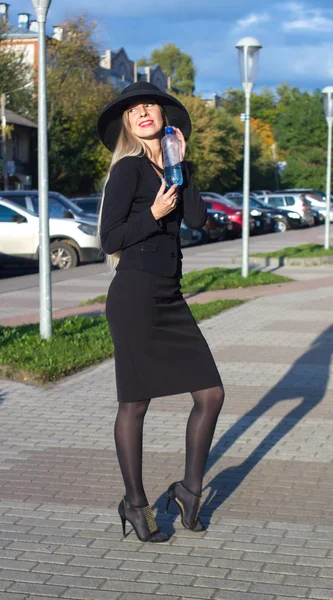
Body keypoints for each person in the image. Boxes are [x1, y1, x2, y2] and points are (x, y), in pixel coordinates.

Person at [97, 81, 224, 543]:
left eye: (149, 104)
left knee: (210, 394)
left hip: (170, 295)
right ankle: (135, 503)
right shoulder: (128, 171)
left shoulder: (174, 166)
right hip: (133, 295)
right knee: (135, 402)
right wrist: (151, 213)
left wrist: (179, 164)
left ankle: (189, 491)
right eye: (133, 109)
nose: (142, 112)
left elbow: (196, 221)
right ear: (128, 124)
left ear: (162, 117)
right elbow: (108, 239)